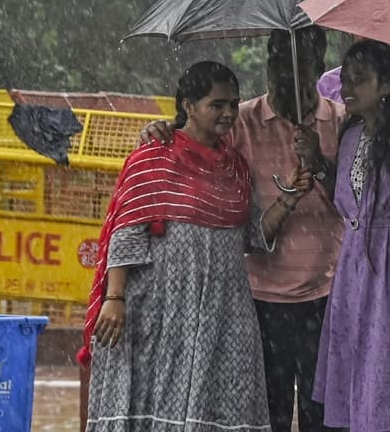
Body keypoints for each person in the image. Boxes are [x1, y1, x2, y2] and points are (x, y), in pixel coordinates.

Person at [81, 61, 314, 431]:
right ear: (188, 106)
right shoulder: (154, 155)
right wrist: (115, 297)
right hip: (162, 308)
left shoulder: (236, 166)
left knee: (220, 406)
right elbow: (126, 232)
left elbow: (252, 237)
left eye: (233, 105)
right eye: (216, 104)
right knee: (154, 400)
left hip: (224, 311)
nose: (227, 114)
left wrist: (290, 198)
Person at [140, 27, 345, 432]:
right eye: (276, 63)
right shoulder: (239, 122)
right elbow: (192, 142)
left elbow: (359, 203)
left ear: (318, 68)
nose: (284, 75)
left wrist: (320, 161)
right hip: (257, 299)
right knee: (263, 414)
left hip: (328, 294)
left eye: (297, 65)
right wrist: (162, 132)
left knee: (324, 417)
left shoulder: (342, 123)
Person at [308, 40, 390, 432]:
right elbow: (348, 202)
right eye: (345, 79)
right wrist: (315, 159)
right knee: (359, 357)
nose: (347, 88)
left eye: (359, 80)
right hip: (354, 266)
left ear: (385, 85)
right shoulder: (350, 136)